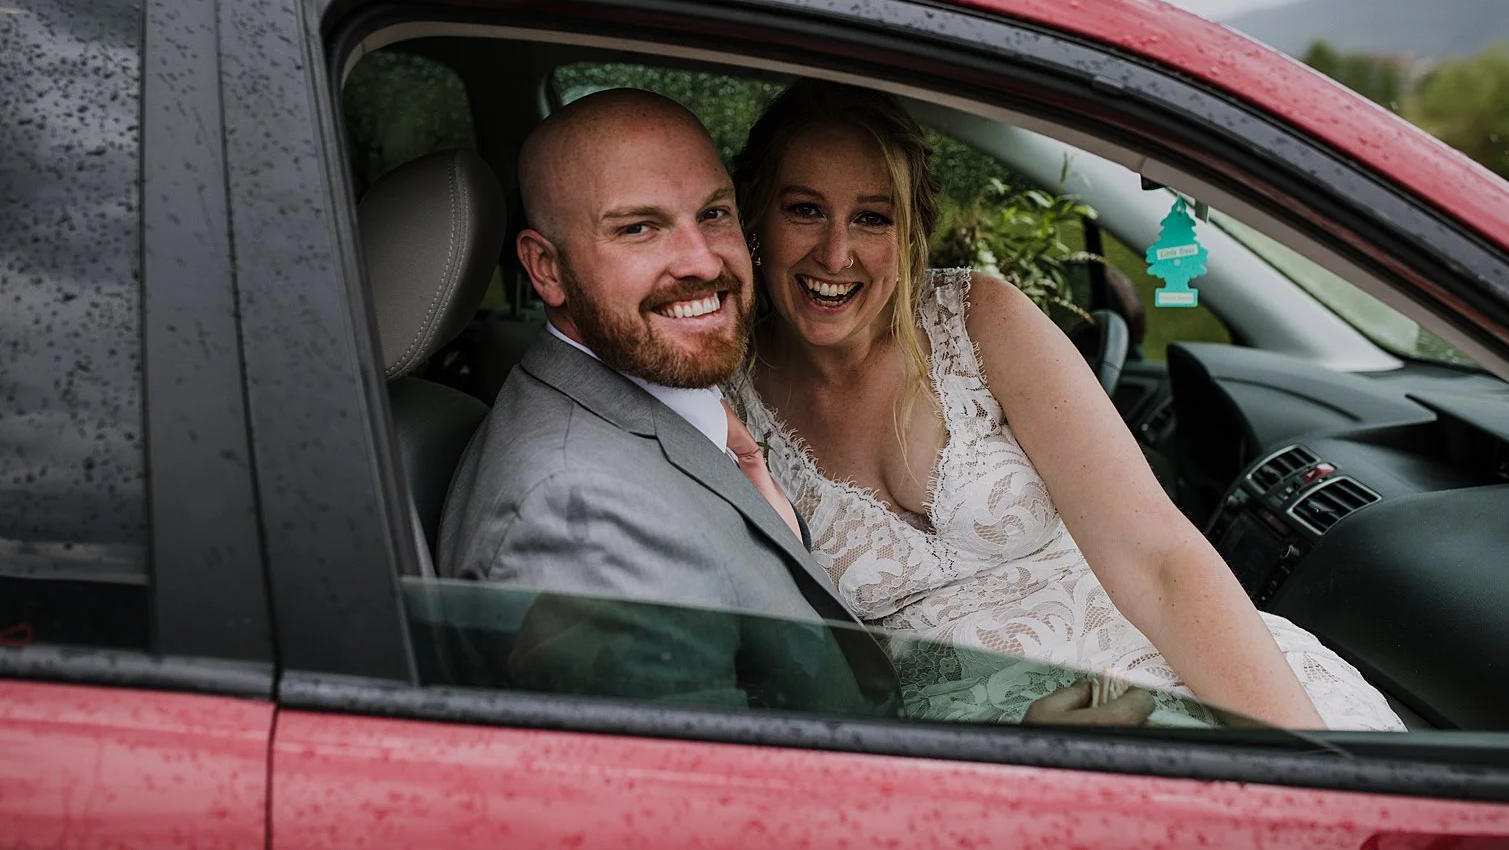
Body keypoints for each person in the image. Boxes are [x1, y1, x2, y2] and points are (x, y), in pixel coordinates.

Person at [435, 88, 1152, 726]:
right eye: (639, 228)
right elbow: (720, 815)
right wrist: (1028, 768)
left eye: (712, 214)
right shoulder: (580, 522)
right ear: (545, 268)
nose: (700, 261)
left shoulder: (656, 396)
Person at [727, 79, 1406, 730]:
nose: (837, 252)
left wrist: (1309, 754)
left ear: (907, 235)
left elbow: (1157, 557)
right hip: (971, 740)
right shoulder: (725, 404)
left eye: (871, 217)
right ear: (754, 214)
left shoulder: (978, 319)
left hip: (1162, 653)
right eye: (805, 209)